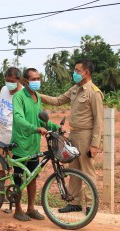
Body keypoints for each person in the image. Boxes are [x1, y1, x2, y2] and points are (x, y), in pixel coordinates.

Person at [40, 59, 104, 214]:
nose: (74, 73)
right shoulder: (75, 89)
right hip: (73, 134)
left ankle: (91, 204)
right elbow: (57, 100)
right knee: (73, 168)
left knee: (87, 170)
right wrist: (37, 95)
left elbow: (99, 121)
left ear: (86, 72)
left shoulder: (94, 92)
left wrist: (95, 144)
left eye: (77, 70)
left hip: (86, 134)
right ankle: (74, 202)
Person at [10, 68, 59, 221]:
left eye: (38, 78)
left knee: (32, 177)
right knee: (19, 178)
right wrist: (35, 129)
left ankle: (30, 208)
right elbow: (18, 118)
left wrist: (56, 127)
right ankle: (17, 210)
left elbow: (41, 119)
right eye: (34, 79)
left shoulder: (36, 96)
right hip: (21, 143)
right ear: (25, 81)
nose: (37, 81)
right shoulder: (19, 96)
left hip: (33, 144)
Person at [0, 67, 23, 176]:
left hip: (15, 139)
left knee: (17, 170)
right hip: (2, 137)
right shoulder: (4, 90)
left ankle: (15, 192)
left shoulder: (23, 94)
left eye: (12, 81)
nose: (9, 83)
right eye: (7, 80)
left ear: (19, 80)